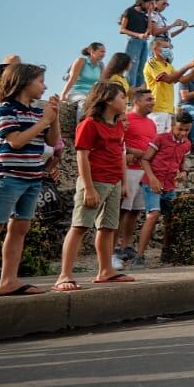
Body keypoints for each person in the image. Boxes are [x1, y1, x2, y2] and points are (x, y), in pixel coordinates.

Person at [0, 63, 60, 296]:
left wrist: (53, 118)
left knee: (20, 228)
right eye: (40, 81)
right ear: (24, 82)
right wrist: (44, 122)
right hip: (8, 177)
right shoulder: (4, 109)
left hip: (32, 177)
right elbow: (16, 141)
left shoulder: (37, 112)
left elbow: (53, 141)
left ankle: (9, 281)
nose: (44, 86)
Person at [54, 81, 133, 291]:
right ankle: (65, 275)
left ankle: (105, 271)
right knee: (80, 227)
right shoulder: (89, 124)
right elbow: (82, 156)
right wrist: (88, 188)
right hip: (95, 181)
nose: (125, 101)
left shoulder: (117, 124)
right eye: (122, 97)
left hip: (113, 182)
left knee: (108, 228)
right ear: (107, 99)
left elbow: (118, 155)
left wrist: (122, 183)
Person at [136, 111, 193, 264]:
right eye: (180, 129)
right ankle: (139, 256)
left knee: (171, 218)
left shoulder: (187, 144)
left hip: (169, 185)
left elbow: (182, 165)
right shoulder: (160, 138)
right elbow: (145, 160)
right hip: (152, 182)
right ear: (172, 126)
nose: (183, 133)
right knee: (153, 214)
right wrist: (153, 179)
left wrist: (183, 172)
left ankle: (166, 251)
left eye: (187, 130)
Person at [116, 87, 158, 267]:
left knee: (135, 211)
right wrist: (135, 152)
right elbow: (119, 141)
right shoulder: (126, 118)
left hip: (144, 171)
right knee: (122, 209)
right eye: (148, 99)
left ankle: (126, 245)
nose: (152, 102)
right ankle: (114, 247)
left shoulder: (151, 122)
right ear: (137, 101)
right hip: (129, 170)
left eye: (152, 99)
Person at [143, 36, 194, 135]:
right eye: (166, 48)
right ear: (156, 49)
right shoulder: (152, 63)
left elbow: (183, 79)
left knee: (166, 142)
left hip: (169, 109)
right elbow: (169, 80)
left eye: (169, 48)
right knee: (156, 140)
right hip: (157, 109)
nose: (168, 50)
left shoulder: (169, 66)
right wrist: (188, 66)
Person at [60, 43, 105, 117]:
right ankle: (81, 127)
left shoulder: (101, 65)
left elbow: (102, 84)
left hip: (91, 94)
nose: (103, 54)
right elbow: (72, 79)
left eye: (104, 52)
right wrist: (63, 94)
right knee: (84, 104)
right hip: (77, 92)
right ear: (92, 51)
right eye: (101, 51)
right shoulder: (81, 61)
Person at [119, 0, 154, 88]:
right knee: (132, 68)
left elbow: (149, 30)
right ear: (142, 2)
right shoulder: (130, 11)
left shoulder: (145, 15)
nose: (151, 6)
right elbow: (122, 29)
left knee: (141, 68)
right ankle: (129, 91)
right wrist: (138, 35)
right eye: (150, 4)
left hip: (143, 43)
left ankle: (137, 93)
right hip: (133, 41)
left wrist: (150, 14)